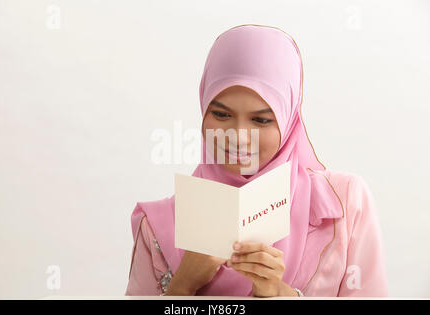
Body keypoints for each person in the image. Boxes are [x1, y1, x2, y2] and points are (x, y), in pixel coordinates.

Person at [125, 24, 388, 297]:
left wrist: (279, 292)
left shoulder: (342, 204)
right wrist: (183, 285)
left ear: (288, 121)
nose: (238, 137)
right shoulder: (159, 225)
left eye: (261, 120)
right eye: (222, 115)